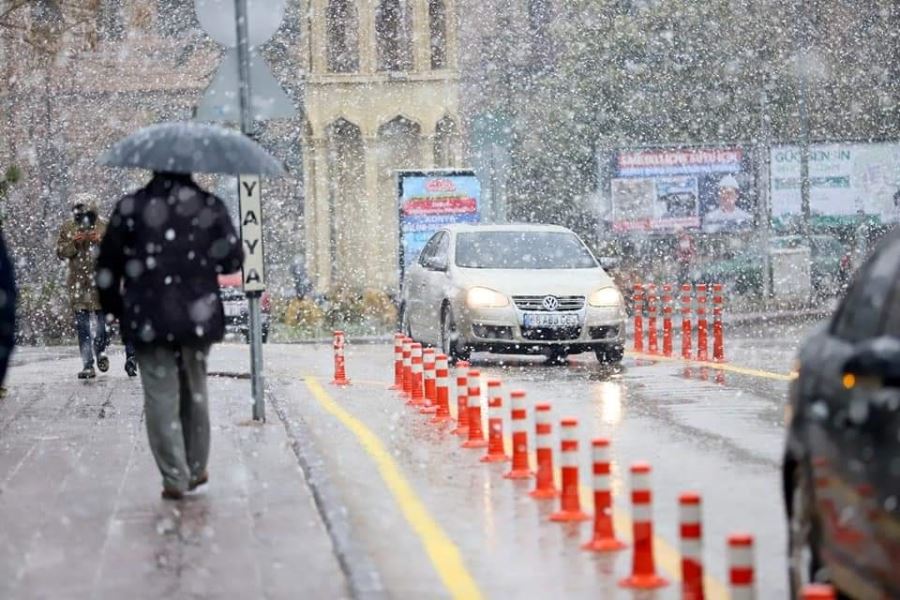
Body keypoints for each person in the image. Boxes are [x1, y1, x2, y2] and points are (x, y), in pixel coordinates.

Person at [96, 172, 243, 500]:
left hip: (149, 318)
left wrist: (117, 309)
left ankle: (174, 475)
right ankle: (195, 467)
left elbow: (107, 266)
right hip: (197, 316)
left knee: (160, 395)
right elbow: (233, 259)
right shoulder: (209, 206)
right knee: (195, 389)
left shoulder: (131, 208)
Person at [57, 195, 137, 378]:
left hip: (100, 284)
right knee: (82, 327)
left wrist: (101, 241)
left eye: (88, 215)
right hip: (78, 284)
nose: (84, 220)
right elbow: (60, 252)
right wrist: (74, 244)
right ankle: (88, 365)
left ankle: (100, 350)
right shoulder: (68, 227)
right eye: (79, 215)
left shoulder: (105, 226)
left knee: (102, 326)